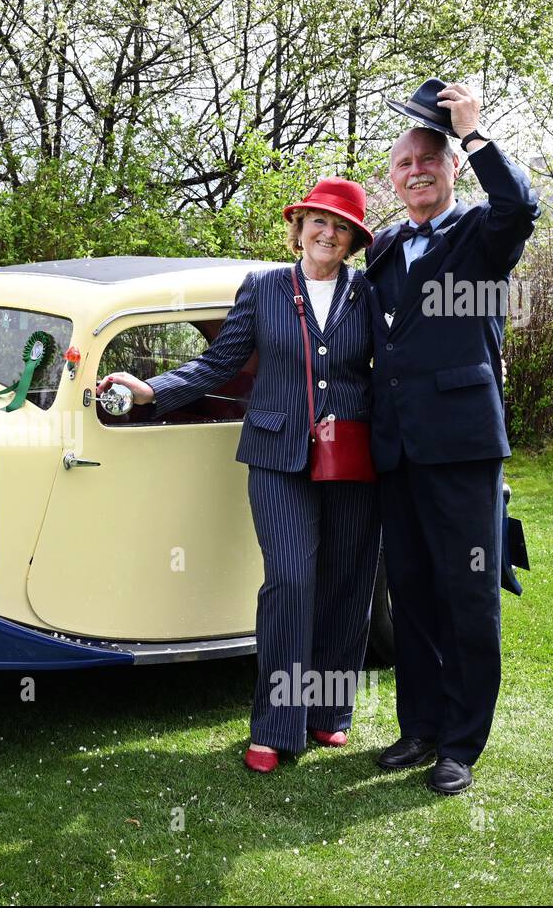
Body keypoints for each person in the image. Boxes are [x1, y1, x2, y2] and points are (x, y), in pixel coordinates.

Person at [98, 178, 380, 773]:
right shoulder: (264, 288)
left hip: (353, 454)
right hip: (277, 455)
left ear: (353, 239)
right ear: (299, 227)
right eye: (317, 222)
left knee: (346, 580)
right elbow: (218, 363)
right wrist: (152, 391)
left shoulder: (370, 291)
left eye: (340, 227)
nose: (327, 234)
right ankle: (276, 726)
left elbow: (398, 362)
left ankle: (328, 711)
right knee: (291, 580)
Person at [365, 81, 540, 794]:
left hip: (463, 444)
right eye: (404, 163)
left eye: (429, 160)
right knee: (412, 593)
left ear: (453, 168)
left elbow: (520, 206)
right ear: (393, 178)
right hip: (396, 448)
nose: (416, 172)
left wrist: (473, 131)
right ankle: (422, 727)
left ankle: (462, 744)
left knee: (468, 593)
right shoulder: (382, 247)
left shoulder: (480, 236)